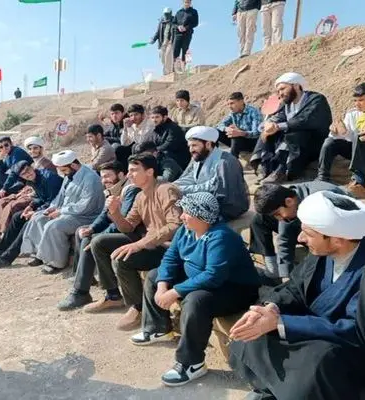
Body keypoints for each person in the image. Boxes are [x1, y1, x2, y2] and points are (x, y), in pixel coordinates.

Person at [229, 191, 365, 400]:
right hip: (322, 331)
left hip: (360, 351)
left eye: (308, 234)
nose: (300, 239)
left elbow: (361, 333)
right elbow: (294, 288)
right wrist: (270, 309)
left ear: (337, 240)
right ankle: (270, 390)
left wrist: (283, 323)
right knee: (255, 332)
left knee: (318, 359)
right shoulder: (323, 253)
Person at [132, 192, 260, 387]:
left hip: (233, 289)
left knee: (195, 301)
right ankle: (157, 328)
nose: (182, 216)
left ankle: (192, 363)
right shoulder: (186, 230)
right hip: (201, 277)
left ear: (202, 216)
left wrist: (175, 292)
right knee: (154, 275)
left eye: (186, 212)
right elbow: (170, 258)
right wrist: (162, 286)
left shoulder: (222, 237)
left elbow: (213, 276)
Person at [83, 154, 182, 331]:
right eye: (128, 171)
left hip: (170, 249)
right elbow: (128, 227)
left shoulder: (166, 190)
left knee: (122, 259)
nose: (129, 175)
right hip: (152, 244)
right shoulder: (140, 196)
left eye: (134, 170)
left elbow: (175, 225)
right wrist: (115, 213)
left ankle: (138, 307)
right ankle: (113, 295)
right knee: (99, 242)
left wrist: (140, 244)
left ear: (150, 171)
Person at [57, 161, 140, 310]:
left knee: (94, 240)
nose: (104, 180)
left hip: (134, 234)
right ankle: (82, 279)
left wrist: (99, 234)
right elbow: (105, 215)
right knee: (83, 232)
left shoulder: (130, 190)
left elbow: (124, 222)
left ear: (120, 175)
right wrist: (92, 228)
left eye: (108, 176)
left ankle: (88, 292)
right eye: (102, 177)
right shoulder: (113, 189)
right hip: (121, 231)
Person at [21, 150, 105, 274]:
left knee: (53, 226)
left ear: (74, 165)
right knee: (38, 218)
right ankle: (40, 255)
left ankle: (56, 263)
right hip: (69, 212)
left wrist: (61, 211)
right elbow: (60, 196)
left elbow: (85, 206)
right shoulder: (69, 175)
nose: (63, 173)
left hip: (86, 216)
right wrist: (52, 207)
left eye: (64, 170)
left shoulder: (90, 178)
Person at [249, 181, 347, 279]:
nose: (278, 218)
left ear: (289, 201)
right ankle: (273, 268)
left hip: (341, 234)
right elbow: (284, 238)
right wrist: (285, 274)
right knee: (259, 219)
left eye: (277, 214)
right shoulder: (290, 201)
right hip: (319, 230)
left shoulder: (323, 202)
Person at [250, 72, 333, 183]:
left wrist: (277, 126)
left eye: (283, 89)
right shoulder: (287, 104)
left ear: (296, 86)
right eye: (278, 91)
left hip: (313, 143)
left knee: (294, 133)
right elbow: (277, 118)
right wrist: (268, 125)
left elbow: (304, 121)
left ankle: (282, 171)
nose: (280, 94)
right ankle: (265, 168)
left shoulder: (316, 99)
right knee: (268, 132)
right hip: (295, 143)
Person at [0, 160, 64, 269]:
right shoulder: (32, 180)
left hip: (58, 208)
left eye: (28, 170)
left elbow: (53, 201)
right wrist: (31, 206)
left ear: (32, 167)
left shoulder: (48, 178)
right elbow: (40, 197)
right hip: (47, 207)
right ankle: (1, 249)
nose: (28, 174)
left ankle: (6, 259)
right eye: (23, 174)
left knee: (27, 224)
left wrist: (34, 212)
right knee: (17, 217)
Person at [316, 83, 365, 197]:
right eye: (355, 100)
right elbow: (344, 136)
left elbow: (364, 137)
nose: (357, 104)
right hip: (355, 150)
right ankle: (322, 177)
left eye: (361, 100)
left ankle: (359, 182)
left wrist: (345, 133)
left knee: (364, 135)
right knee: (330, 142)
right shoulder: (352, 113)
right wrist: (335, 131)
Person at [174, 126, 249, 221]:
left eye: (194, 145)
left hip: (227, 207)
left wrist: (180, 189)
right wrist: (173, 186)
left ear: (208, 144)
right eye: (189, 146)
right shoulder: (199, 156)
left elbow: (214, 187)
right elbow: (191, 177)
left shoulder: (225, 162)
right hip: (207, 199)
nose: (191, 150)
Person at [0, 136, 55, 235]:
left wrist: (28, 195)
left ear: (41, 149)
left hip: (37, 195)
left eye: (35, 148)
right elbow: (2, 172)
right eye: (30, 149)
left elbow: (45, 186)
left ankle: (5, 233)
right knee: (2, 200)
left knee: (12, 205)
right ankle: (0, 232)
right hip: (29, 190)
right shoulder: (33, 162)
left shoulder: (46, 164)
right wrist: (0, 158)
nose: (32, 151)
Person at [0, 136, 33, 239]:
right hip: (17, 179)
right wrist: (0, 157)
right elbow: (1, 172)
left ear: (11, 144)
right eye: (1, 147)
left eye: (6, 145)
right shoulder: (8, 155)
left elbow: (14, 174)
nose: (4, 148)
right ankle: (1, 199)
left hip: (25, 180)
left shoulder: (17, 152)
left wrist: (4, 188)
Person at [216, 92, 262, 158]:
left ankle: (232, 163)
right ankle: (214, 158)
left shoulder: (253, 112)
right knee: (215, 132)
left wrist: (240, 133)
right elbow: (219, 125)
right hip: (239, 140)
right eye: (228, 104)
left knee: (235, 137)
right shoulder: (233, 113)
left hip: (253, 142)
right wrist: (226, 129)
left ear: (241, 101)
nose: (229, 107)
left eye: (232, 103)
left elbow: (256, 133)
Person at [145, 105, 190, 169]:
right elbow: (149, 143)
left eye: (157, 117)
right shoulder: (154, 129)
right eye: (152, 118)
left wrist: (153, 151)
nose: (154, 120)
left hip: (176, 159)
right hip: (161, 155)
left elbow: (169, 146)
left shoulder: (173, 128)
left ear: (165, 117)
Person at [173, 0, 199, 72]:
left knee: (185, 49)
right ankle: (176, 68)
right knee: (176, 50)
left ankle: (184, 68)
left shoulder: (194, 12)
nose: (187, 3)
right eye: (185, 2)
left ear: (190, 3)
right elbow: (174, 23)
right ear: (183, 3)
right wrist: (178, 27)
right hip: (178, 34)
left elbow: (196, 23)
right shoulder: (179, 12)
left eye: (188, 2)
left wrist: (186, 28)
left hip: (187, 33)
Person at [151, 7, 175, 75]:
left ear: (170, 13)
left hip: (170, 41)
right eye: (165, 14)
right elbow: (158, 32)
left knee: (168, 56)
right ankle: (167, 71)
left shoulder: (174, 21)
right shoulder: (161, 22)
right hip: (162, 42)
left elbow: (176, 32)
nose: (166, 15)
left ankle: (169, 73)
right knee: (162, 58)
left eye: (168, 14)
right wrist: (153, 39)